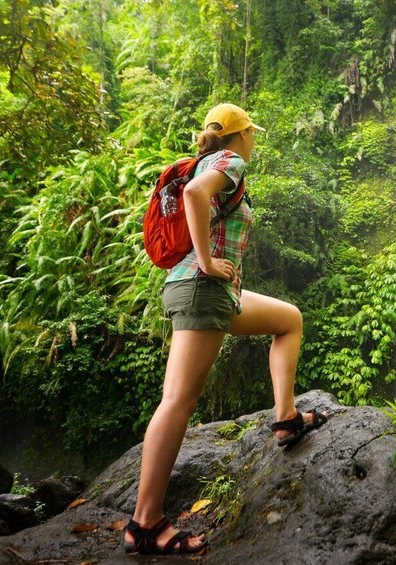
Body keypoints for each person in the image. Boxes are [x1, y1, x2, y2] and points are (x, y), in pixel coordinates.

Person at [122, 103, 328, 555]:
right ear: (240, 134)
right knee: (177, 401)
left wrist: (220, 268)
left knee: (288, 319)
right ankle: (145, 523)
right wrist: (212, 262)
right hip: (201, 288)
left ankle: (286, 418)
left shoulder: (205, 161)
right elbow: (195, 195)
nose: (254, 140)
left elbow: (202, 204)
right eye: (252, 132)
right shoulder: (228, 162)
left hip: (205, 289)